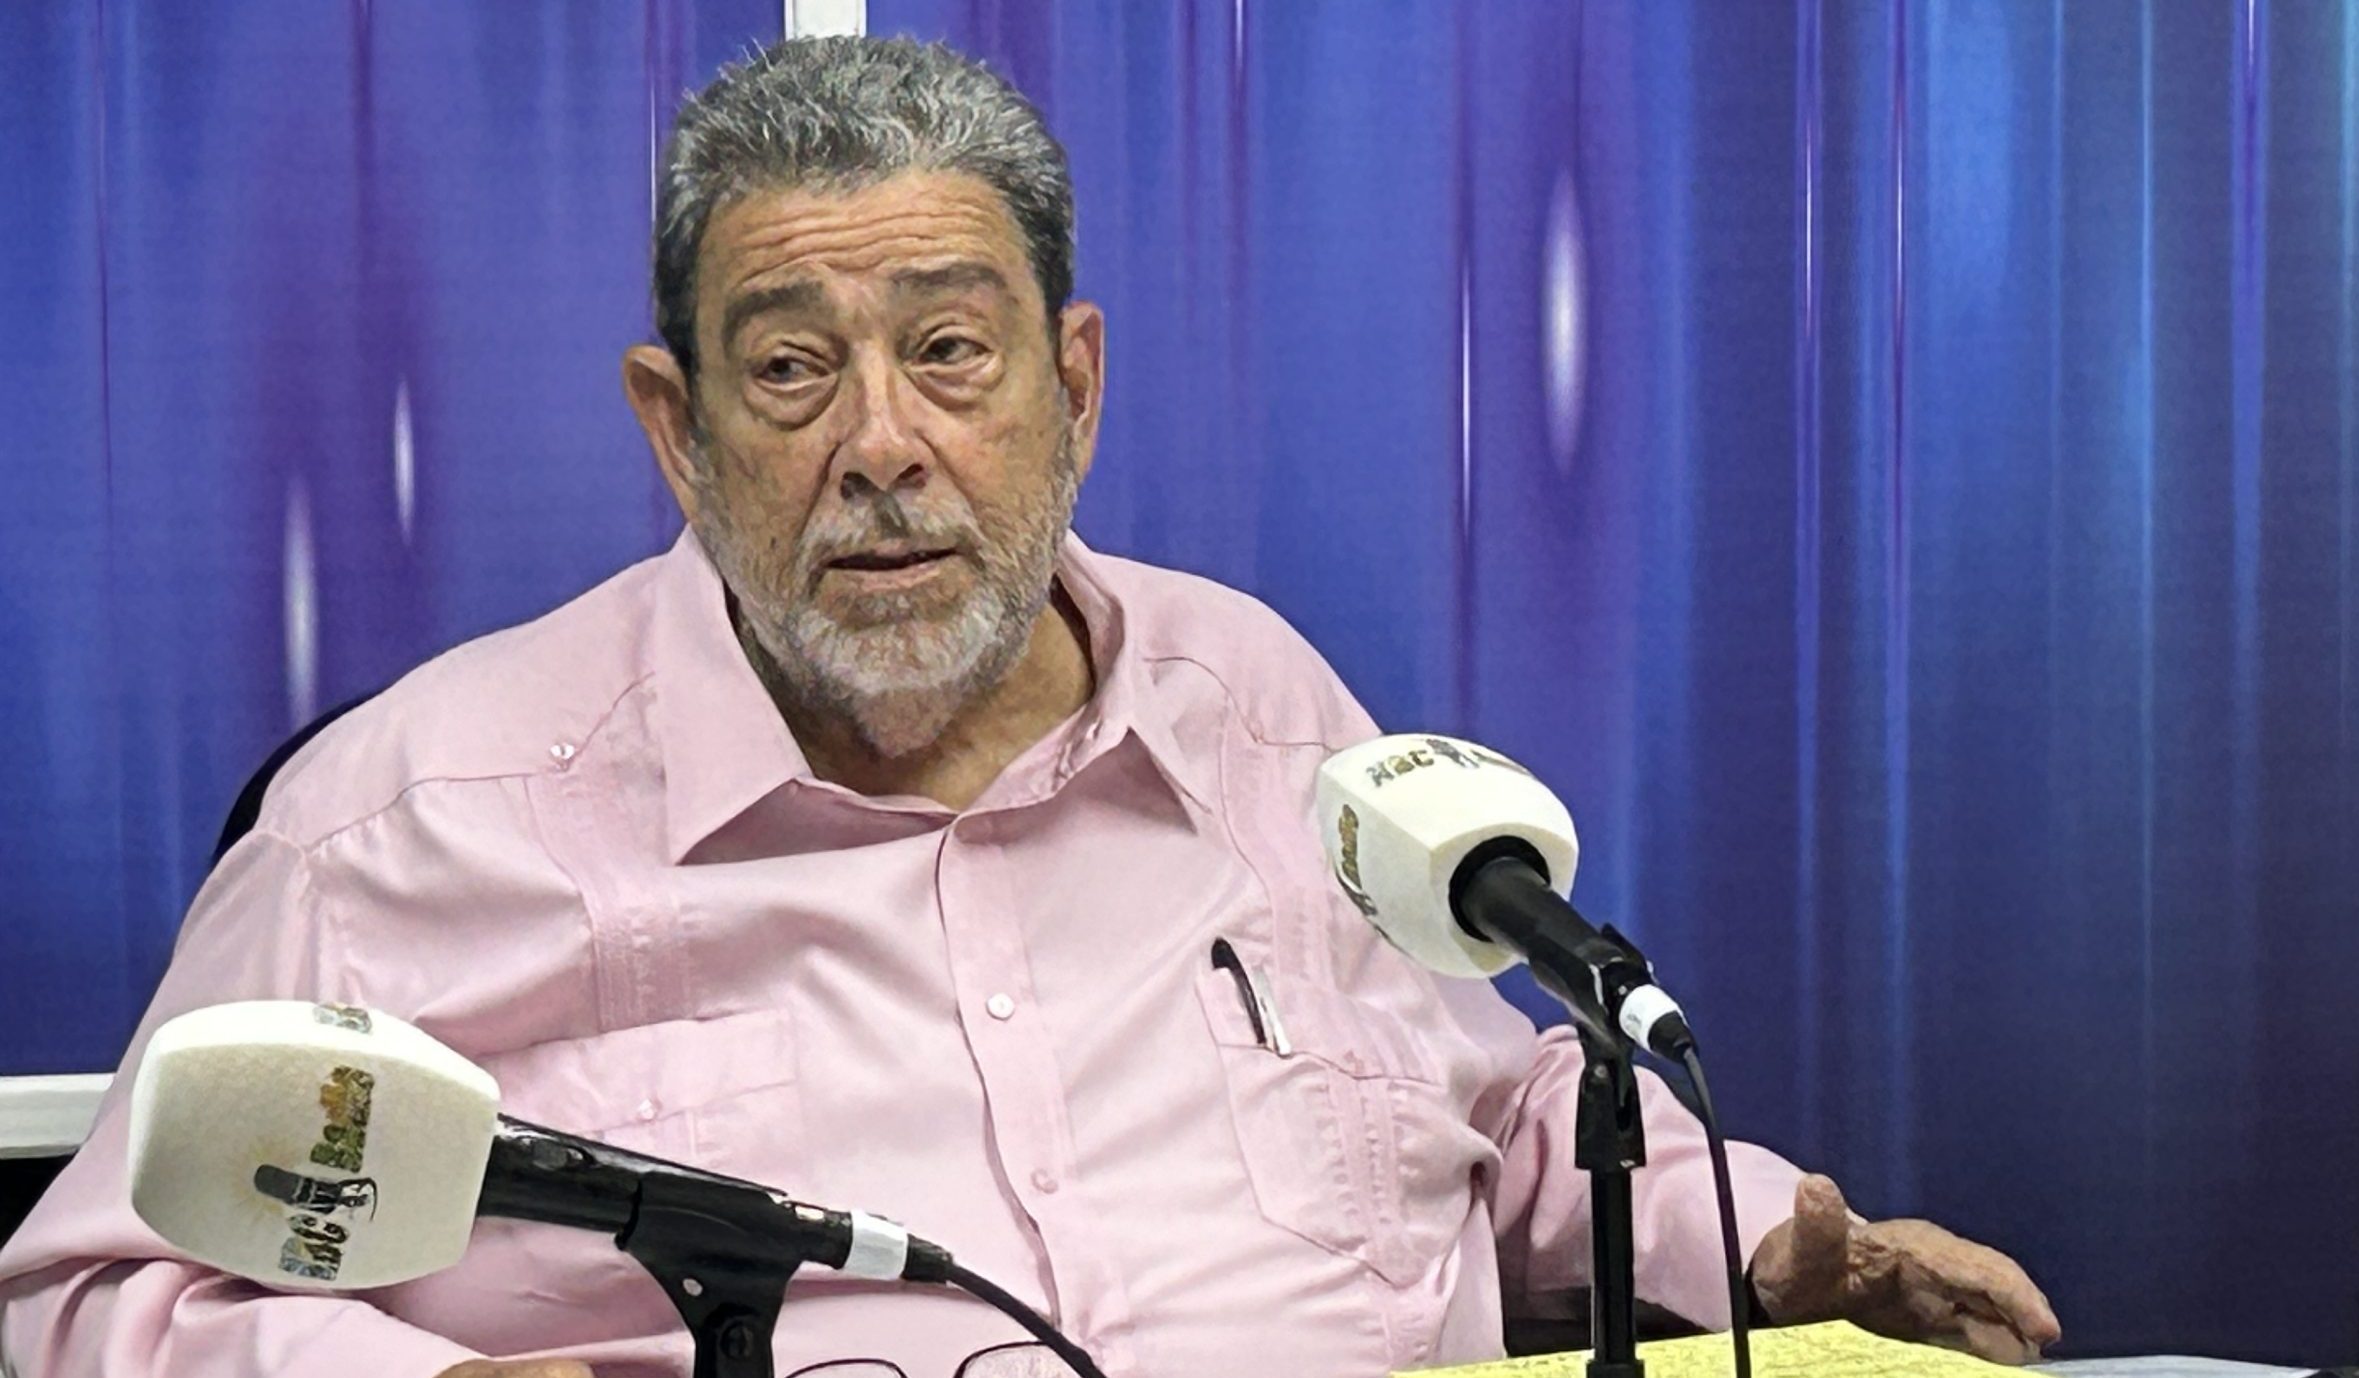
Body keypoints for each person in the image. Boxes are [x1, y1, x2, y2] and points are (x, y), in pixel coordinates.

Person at [0, 35, 2060, 1378]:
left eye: (952, 351)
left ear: (1073, 385)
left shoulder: (1260, 711)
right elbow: (94, 1298)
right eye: (790, 369)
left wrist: (1780, 1242)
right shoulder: (400, 822)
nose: (882, 443)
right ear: (677, 430)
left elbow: (1476, 1113)